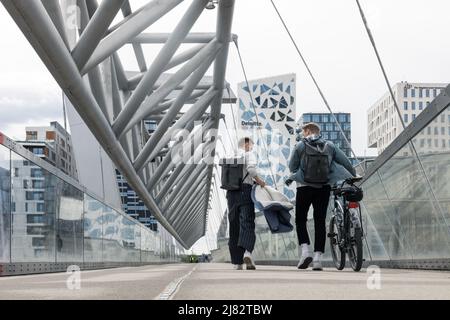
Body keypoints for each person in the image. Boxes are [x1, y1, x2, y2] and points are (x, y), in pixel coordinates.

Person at [287, 122, 356, 271]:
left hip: (304, 187)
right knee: (320, 221)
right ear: (318, 132)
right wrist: (353, 175)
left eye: (303, 131)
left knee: (300, 219)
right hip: (324, 187)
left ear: (307, 131)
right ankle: (318, 258)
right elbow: (345, 162)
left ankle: (305, 251)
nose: (302, 133)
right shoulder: (330, 145)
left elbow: (291, 166)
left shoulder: (300, 145)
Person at [227, 137, 266, 270]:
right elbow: (251, 169)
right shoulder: (248, 154)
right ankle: (247, 253)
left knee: (234, 225)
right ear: (247, 144)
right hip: (245, 190)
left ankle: (237, 263)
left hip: (231, 193)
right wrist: (259, 181)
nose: (252, 147)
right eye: (252, 145)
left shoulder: (230, 156)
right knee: (247, 222)